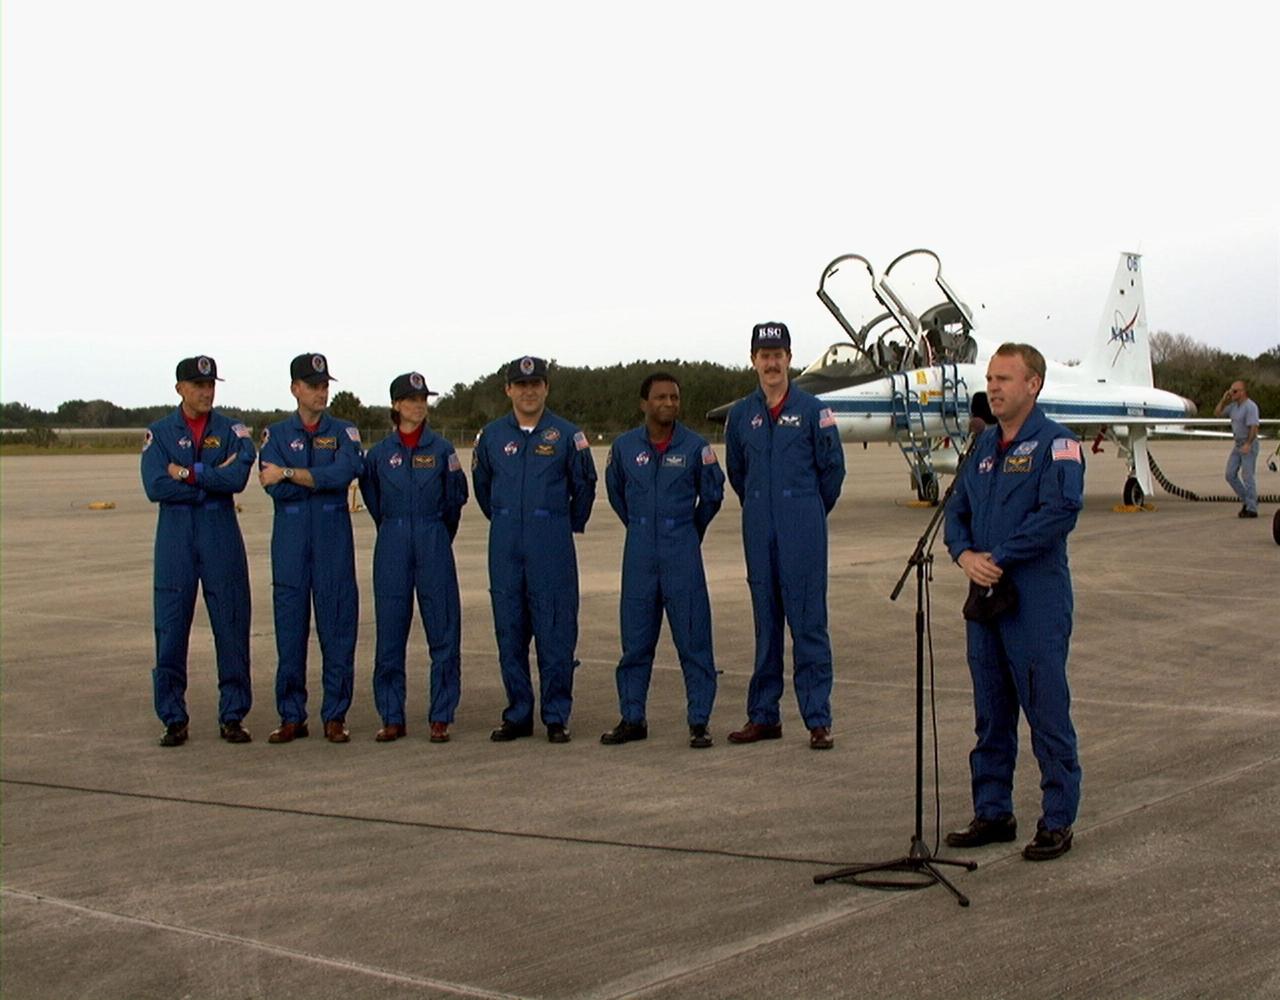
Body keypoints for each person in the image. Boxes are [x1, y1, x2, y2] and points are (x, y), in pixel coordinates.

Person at [943, 342, 1084, 862]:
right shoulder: (981, 449)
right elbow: (955, 511)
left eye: (1005, 378)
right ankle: (993, 810)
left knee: (1045, 709)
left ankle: (1058, 819)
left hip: (1035, 599)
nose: (993, 387)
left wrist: (997, 555)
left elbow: (1059, 512)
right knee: (991, 711)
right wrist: (964, 557)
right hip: (983, 597)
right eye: (991, 378)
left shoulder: (1058, 445)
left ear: (1034, 385)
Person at [724, 322, 845, 750]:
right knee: (766, 625)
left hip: (803, 529)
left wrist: (806, 509)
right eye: (764, 354)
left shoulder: (814, 411)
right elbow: (737, 472)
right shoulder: (741, 415)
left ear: (790, 358)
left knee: (809, 624)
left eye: (778, 354)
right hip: (759, 528)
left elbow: (833, 471)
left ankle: (817, 718)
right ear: (753, 359)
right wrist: (763, 505)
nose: (771, 362)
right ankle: (764, 715)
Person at [472, 356, 597, 743]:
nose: (529, 391)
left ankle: (556, 715)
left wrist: (562, 523)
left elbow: (586, 486)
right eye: (521, 385)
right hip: (506, 543)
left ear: (546, 388)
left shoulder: (567, 435)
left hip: (551, 544)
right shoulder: (491, 437)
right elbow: (482, 486)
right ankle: (518, 713)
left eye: (536, 384)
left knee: (556, 633)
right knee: (510, 632)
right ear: (508, 389)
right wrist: (508, 518)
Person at [602, 372, 726, 749]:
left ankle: (699, 721)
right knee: (636, 642)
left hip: (681, 551)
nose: (669, 403)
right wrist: (642, 527)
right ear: (644, 403)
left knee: (694, 640)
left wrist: (689, 531)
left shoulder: (695, 447)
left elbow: (713, 496)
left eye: (674, 397)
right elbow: (616, 493)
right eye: (661, 397)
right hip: (639, 551)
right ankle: (632, 717)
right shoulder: (624, 448)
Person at [141, 355, 256, 746]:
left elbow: (237, 476)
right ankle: (173, 717)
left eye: (210, 386)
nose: (206, 392)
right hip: (175, 534)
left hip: (219, 530)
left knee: (231, 622)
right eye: (197, 386)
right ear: (180, 389)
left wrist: (187, 472)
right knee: (171, 627)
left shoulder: (232, 430)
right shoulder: (159, 432)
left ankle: (233, 715)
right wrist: (211, 479)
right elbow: (156, 485)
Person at [258, 353, 363, 744]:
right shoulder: (276, 434)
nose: (321, 392)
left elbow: (344, 473)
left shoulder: (345, 432)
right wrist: (312, 479)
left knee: (337, 629)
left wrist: (291, 472)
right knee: (290, 631)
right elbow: (271, 484)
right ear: (294, 389)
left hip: (332, 541)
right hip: (290, 542)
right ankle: (291, 715)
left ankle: (335, 715)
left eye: (325, 385)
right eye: (313, 385)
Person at [359, 372, 468, 743]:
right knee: (390, 632)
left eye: (423, 398)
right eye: (411, 399)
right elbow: (373, 501)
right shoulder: (377, 455)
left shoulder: (443, 451)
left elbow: (455, 501)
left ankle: (441, 715)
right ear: (395, 405)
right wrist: (394, 529)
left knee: (444, 630)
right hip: (392, 541)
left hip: (433, 537)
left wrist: (435, 533)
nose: (419, 405)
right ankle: (392, 716)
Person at [1214, 380, 1260, 518]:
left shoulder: (1250, 407)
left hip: (1248, 443)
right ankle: (1248, 500)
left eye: (1234, 391)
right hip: (1238, 444)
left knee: (1247, 475)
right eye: (1231, 391)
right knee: (1230, 474)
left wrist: (1248, 444)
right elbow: (1217, 413)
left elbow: (1254, 427)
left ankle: (1252, 508)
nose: (1231, 393)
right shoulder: (1233, 407)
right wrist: (1224, 400)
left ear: (1242, 392)